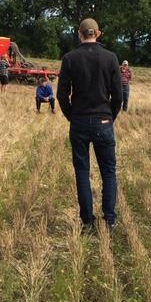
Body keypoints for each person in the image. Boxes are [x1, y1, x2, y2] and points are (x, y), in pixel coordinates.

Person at [57, 18, 122, 233]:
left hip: (80, 122)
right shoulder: (111, 58)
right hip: (104, 121)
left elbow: (61, 94)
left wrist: (71, 116)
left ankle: (87, 222)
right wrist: (109, 116)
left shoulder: (70, 58)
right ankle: (110, 221)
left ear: (79, 33)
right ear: (99, 33)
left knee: (82, 172)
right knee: (109, 172)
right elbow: (118, 95)